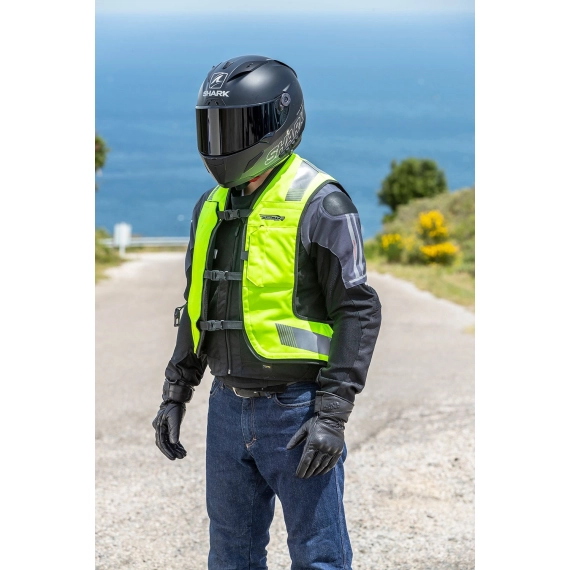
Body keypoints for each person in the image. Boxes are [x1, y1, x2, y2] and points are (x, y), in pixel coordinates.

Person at [152, 55, 382, 570]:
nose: (222, 141)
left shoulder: (321, 203)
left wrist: (332, 415)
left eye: (236, 127)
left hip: (297, 411)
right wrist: (175, 393)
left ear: (279, 123)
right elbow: (197, 306)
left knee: (319, 556)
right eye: (214, 126)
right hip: (226, 407)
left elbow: (358, 310)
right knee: (230, 556)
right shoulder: (209, 207)